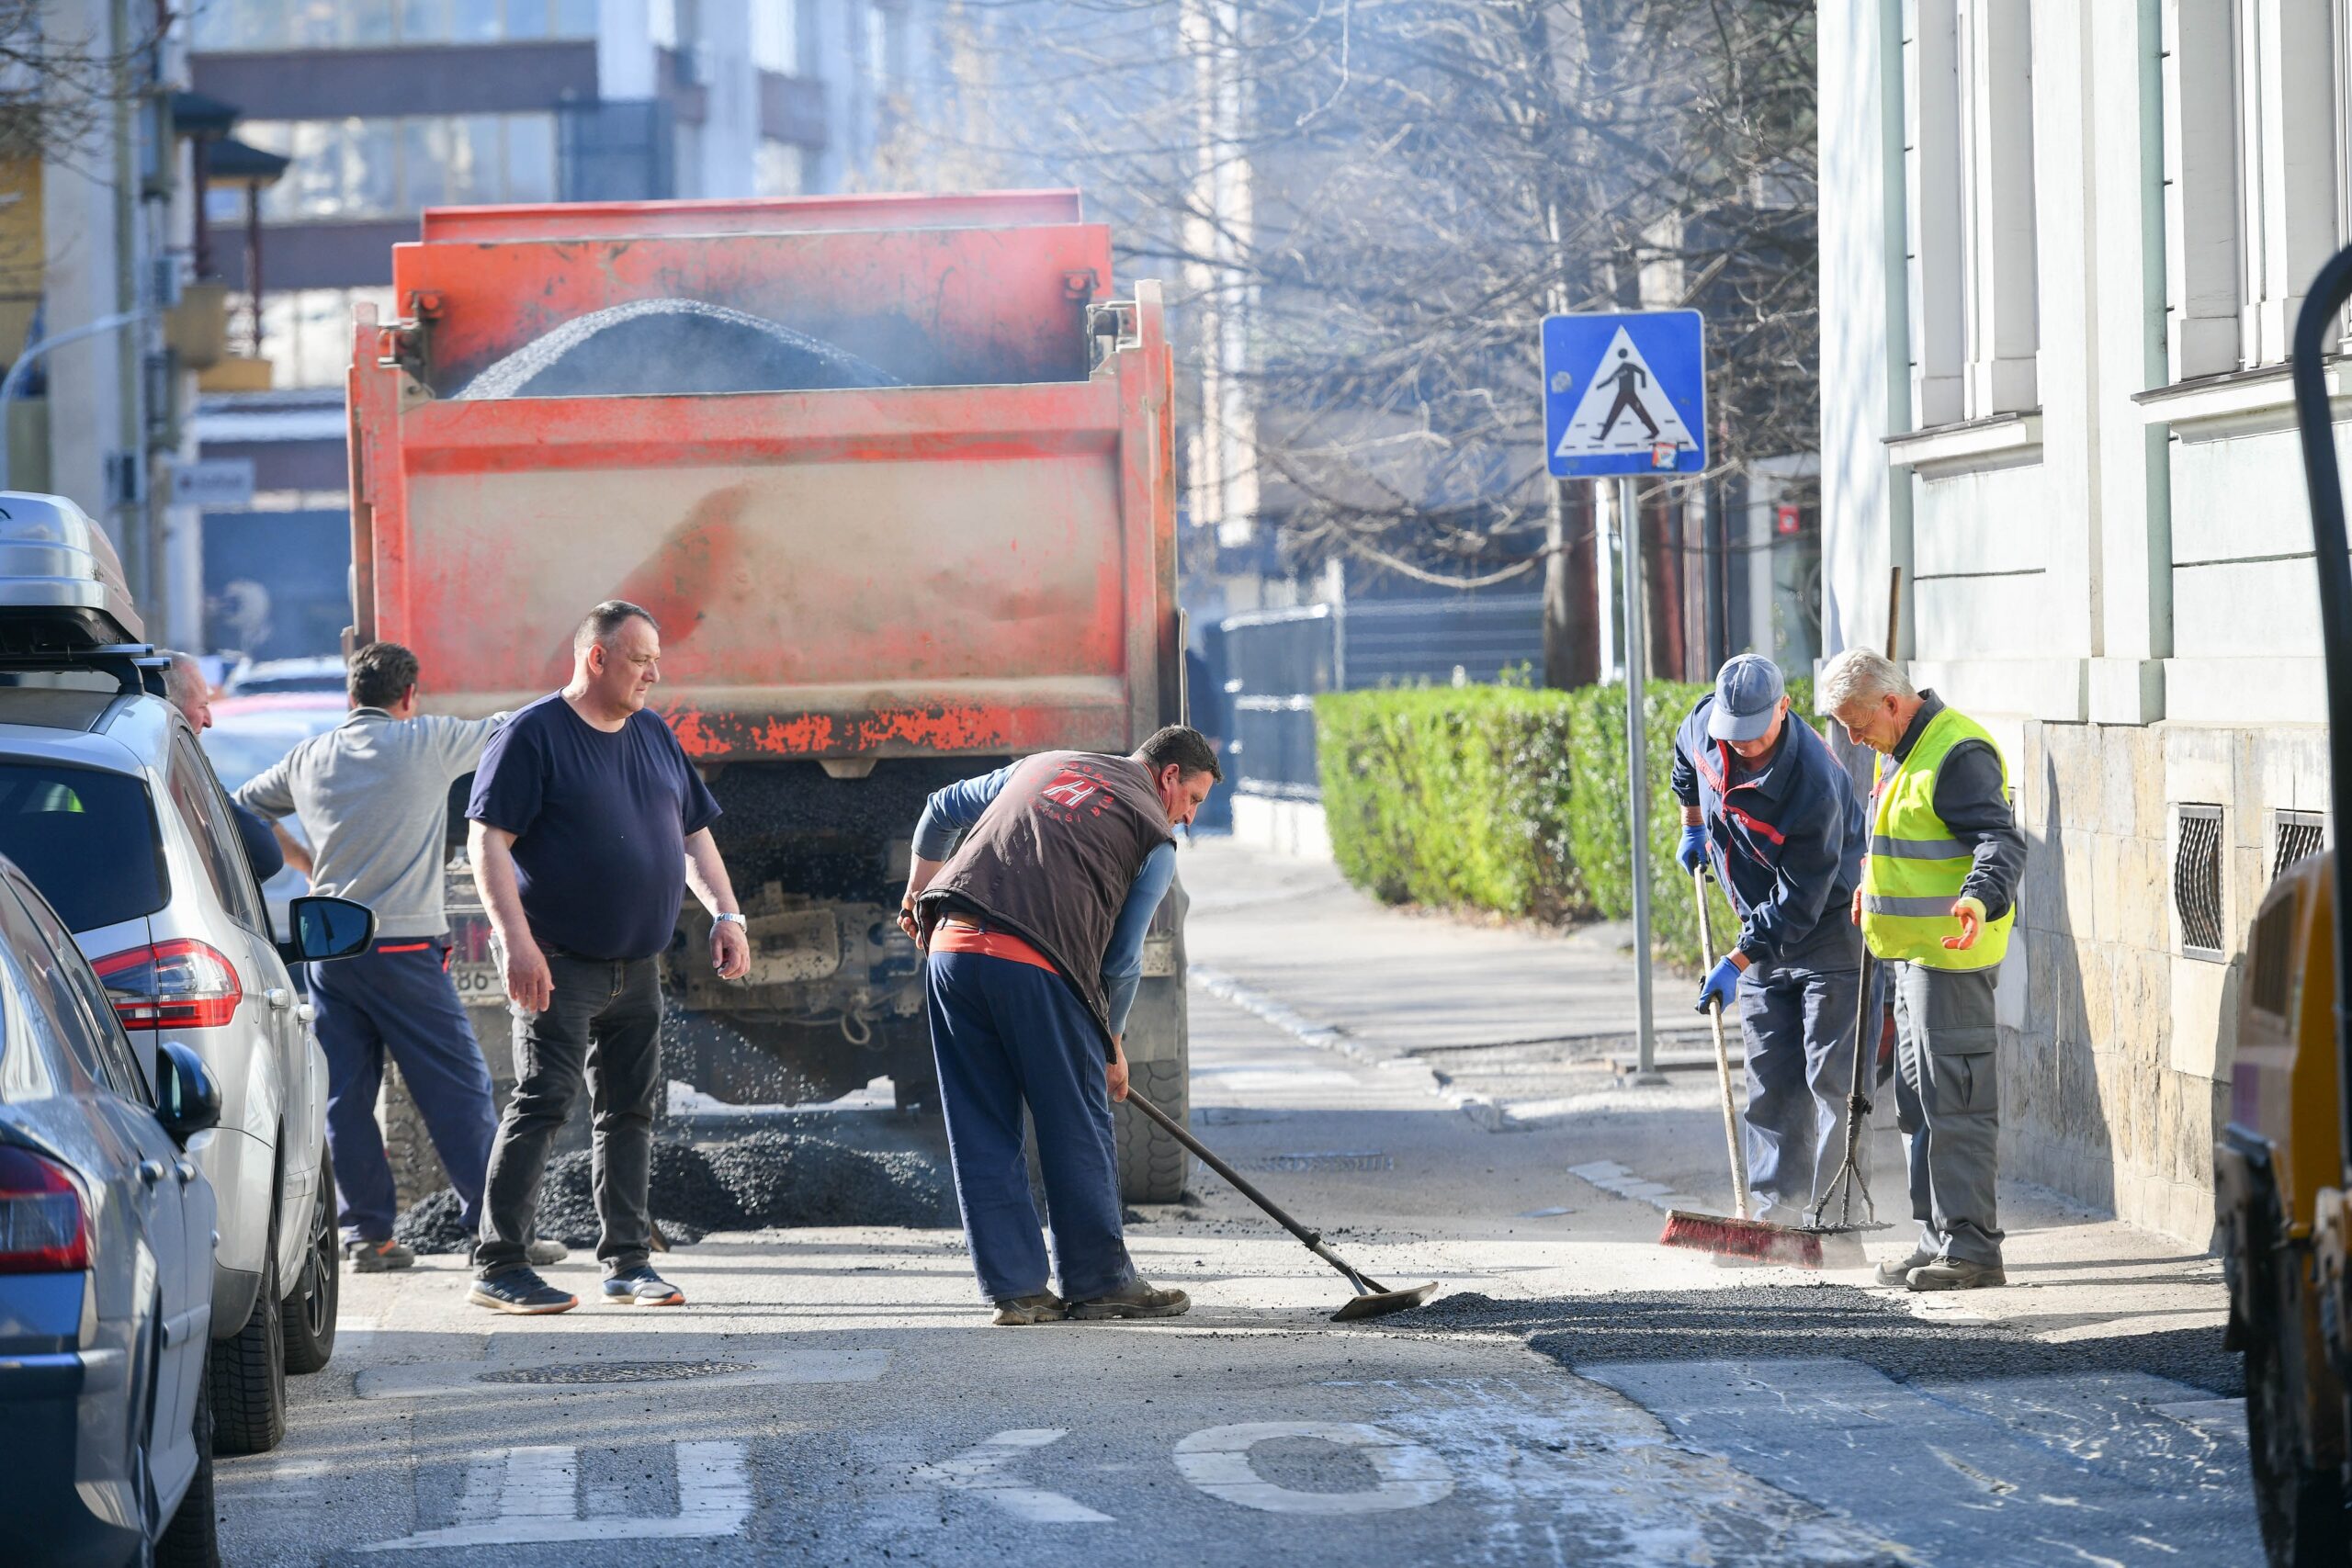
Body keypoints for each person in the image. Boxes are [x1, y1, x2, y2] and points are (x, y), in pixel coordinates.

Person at [233, 642, 565, 1273]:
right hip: (404, 947)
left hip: (330, 949)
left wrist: (305, 863)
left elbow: (243, 805)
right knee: (458, 1089)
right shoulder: (427, 741)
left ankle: (369, 1237)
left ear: (351, 696)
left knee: (345, 1097)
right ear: (408, 696)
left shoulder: (310, 757)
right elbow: (511, 729)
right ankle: (501, 1232)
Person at [465, 601, 750, 1314]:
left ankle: (627, 1261)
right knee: (542, 1102)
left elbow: (692, 834)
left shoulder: (653, 732)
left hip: (637, 967)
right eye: (640, 659)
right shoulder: (532, 735)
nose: (654, 673)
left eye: (656, 659)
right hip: (559, 964)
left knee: (630, 1112)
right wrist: (518, 942)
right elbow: (487, 842)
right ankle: (498, 1264)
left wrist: (727, 910)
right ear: (596, 658)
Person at [899, 728, 1219, 1325]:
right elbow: (1122, 959)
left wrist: (917, 893)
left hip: (950, 950)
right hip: (1035, 962)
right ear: (1168, 775)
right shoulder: (1155, 837)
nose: (1190, 818)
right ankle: (1100, 1281)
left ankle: (1016, 1290)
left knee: (981, 1121)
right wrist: (1111, 1044)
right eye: (1194, 798)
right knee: (1074, 1114)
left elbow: (939, 808)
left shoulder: (1042, 765)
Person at [1821, 648, 2026, 1292]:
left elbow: (2000, 840)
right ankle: (1937, 1237)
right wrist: (1872, 886)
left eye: (1857, 723)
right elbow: (1908, 841)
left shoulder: (1957, 751)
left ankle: (1973, 1249)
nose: (1854, 738)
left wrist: (1976, 897)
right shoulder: (1900, 750)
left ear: (1890, 701)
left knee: (1956, 1102)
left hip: (1951, 955)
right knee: (1918, 1103)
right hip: (1911, 956)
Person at [1670, 653, 1868, 1241]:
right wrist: (1693, 824)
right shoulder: (1705, 726)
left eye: (1757, 730)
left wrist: (1736, 960)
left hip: (1831, 924)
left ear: (1784, 708)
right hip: (1759, 930)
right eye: (1736, 731)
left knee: (1834, 1083)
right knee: (1771, 1078)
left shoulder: (1813, 784)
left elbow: (1800, 898)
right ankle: (1775, 1218)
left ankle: (1834, 1224)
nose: (1746, 744)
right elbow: (1686, 760)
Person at [162, 650, 284, 882]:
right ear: (172, 710)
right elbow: (264, 854)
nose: (209, 720)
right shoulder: (174, 765)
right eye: (201, 706)